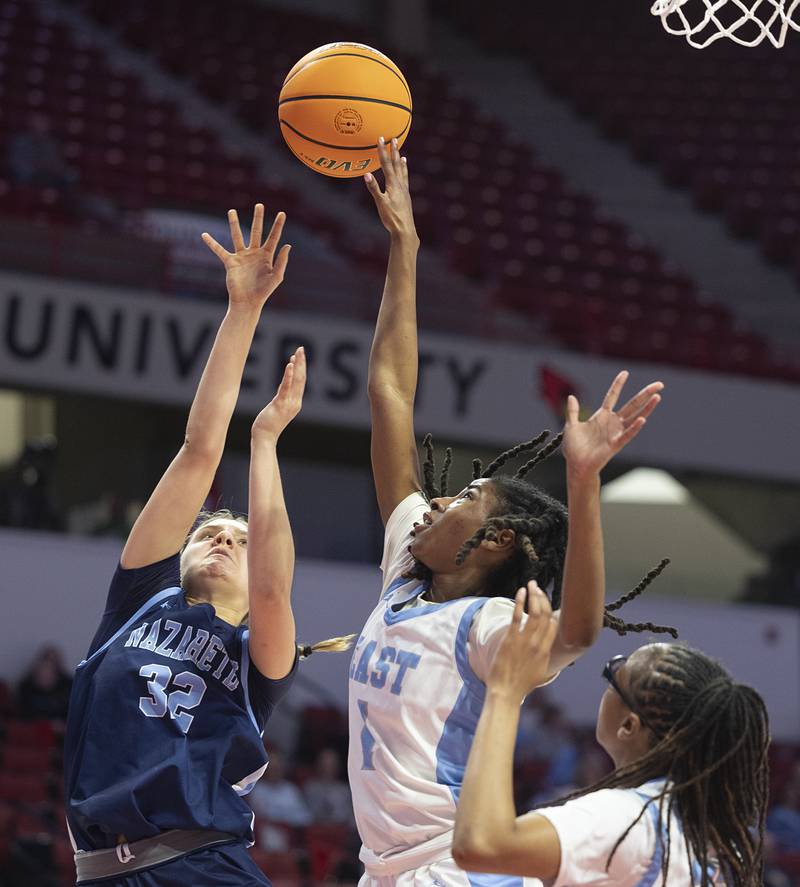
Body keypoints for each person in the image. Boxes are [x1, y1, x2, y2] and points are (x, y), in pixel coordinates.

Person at [349, 136, 671, 885]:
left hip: (454, 868)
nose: (430, 500)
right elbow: (390, 394)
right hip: (387, 870)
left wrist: (583, 482)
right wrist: (405, 246)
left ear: (496, 539)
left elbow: (583, 630)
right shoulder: (405, 568)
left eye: (460, 496)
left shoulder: (490, 630)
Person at [62, 205, 348, 886]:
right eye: (212, 532)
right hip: (102, 870)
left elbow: (277, 586)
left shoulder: (261, 659)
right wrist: (243, 310)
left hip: (201, 865)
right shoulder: (137, 597)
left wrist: (267, 441)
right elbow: (196, 453)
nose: (222, 537)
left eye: (240, 539)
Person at [453, 584, 769, 887]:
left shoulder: (627, 820)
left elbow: (483, 846)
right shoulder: (711, 835)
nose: (610, 670)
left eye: (615, 672)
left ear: (628, 726)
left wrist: (505, 690)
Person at [16, 644, 73, 721]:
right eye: (42, 675)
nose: (45, 677)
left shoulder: (67, 686)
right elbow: (23, 715)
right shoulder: (26, 687)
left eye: (48, 675)